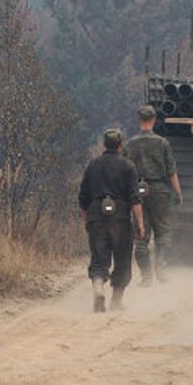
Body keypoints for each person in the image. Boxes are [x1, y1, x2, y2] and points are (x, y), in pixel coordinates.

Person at [78, 128, 145, 312]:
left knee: (99, 258)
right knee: (123, 259)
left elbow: (83, 196)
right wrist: (140, 224)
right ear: (121, 145)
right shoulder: (128, 166)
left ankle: (98, 289)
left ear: (104, 144)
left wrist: (87, 218)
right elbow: (135, 199)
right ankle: (116, 300)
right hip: (121, 218)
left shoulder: (93, 165)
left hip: (96, 216)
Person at [123, 105, 182, 286]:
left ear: (139, 120)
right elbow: (171, 171)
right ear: (154, 120)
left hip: (137, 192)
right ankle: (161, 268)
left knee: (141, 234)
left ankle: (146, 276)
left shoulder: (130, 144)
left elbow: (125, 171)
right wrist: (178, 192)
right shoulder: (162, 143)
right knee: (163, 231)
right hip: (160, 190)